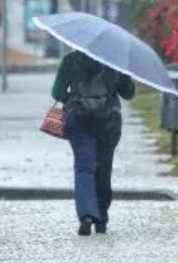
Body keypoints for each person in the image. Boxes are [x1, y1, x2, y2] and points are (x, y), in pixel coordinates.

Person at [52, 49, 135, 236]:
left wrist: (73, 99)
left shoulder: (71, 60)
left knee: (83, 166)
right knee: (104, 168)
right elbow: (128, 93)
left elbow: (57, 92)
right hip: (109, 121)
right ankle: (101, 218)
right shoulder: (115, 59)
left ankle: (87, 214)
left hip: (78, 119)